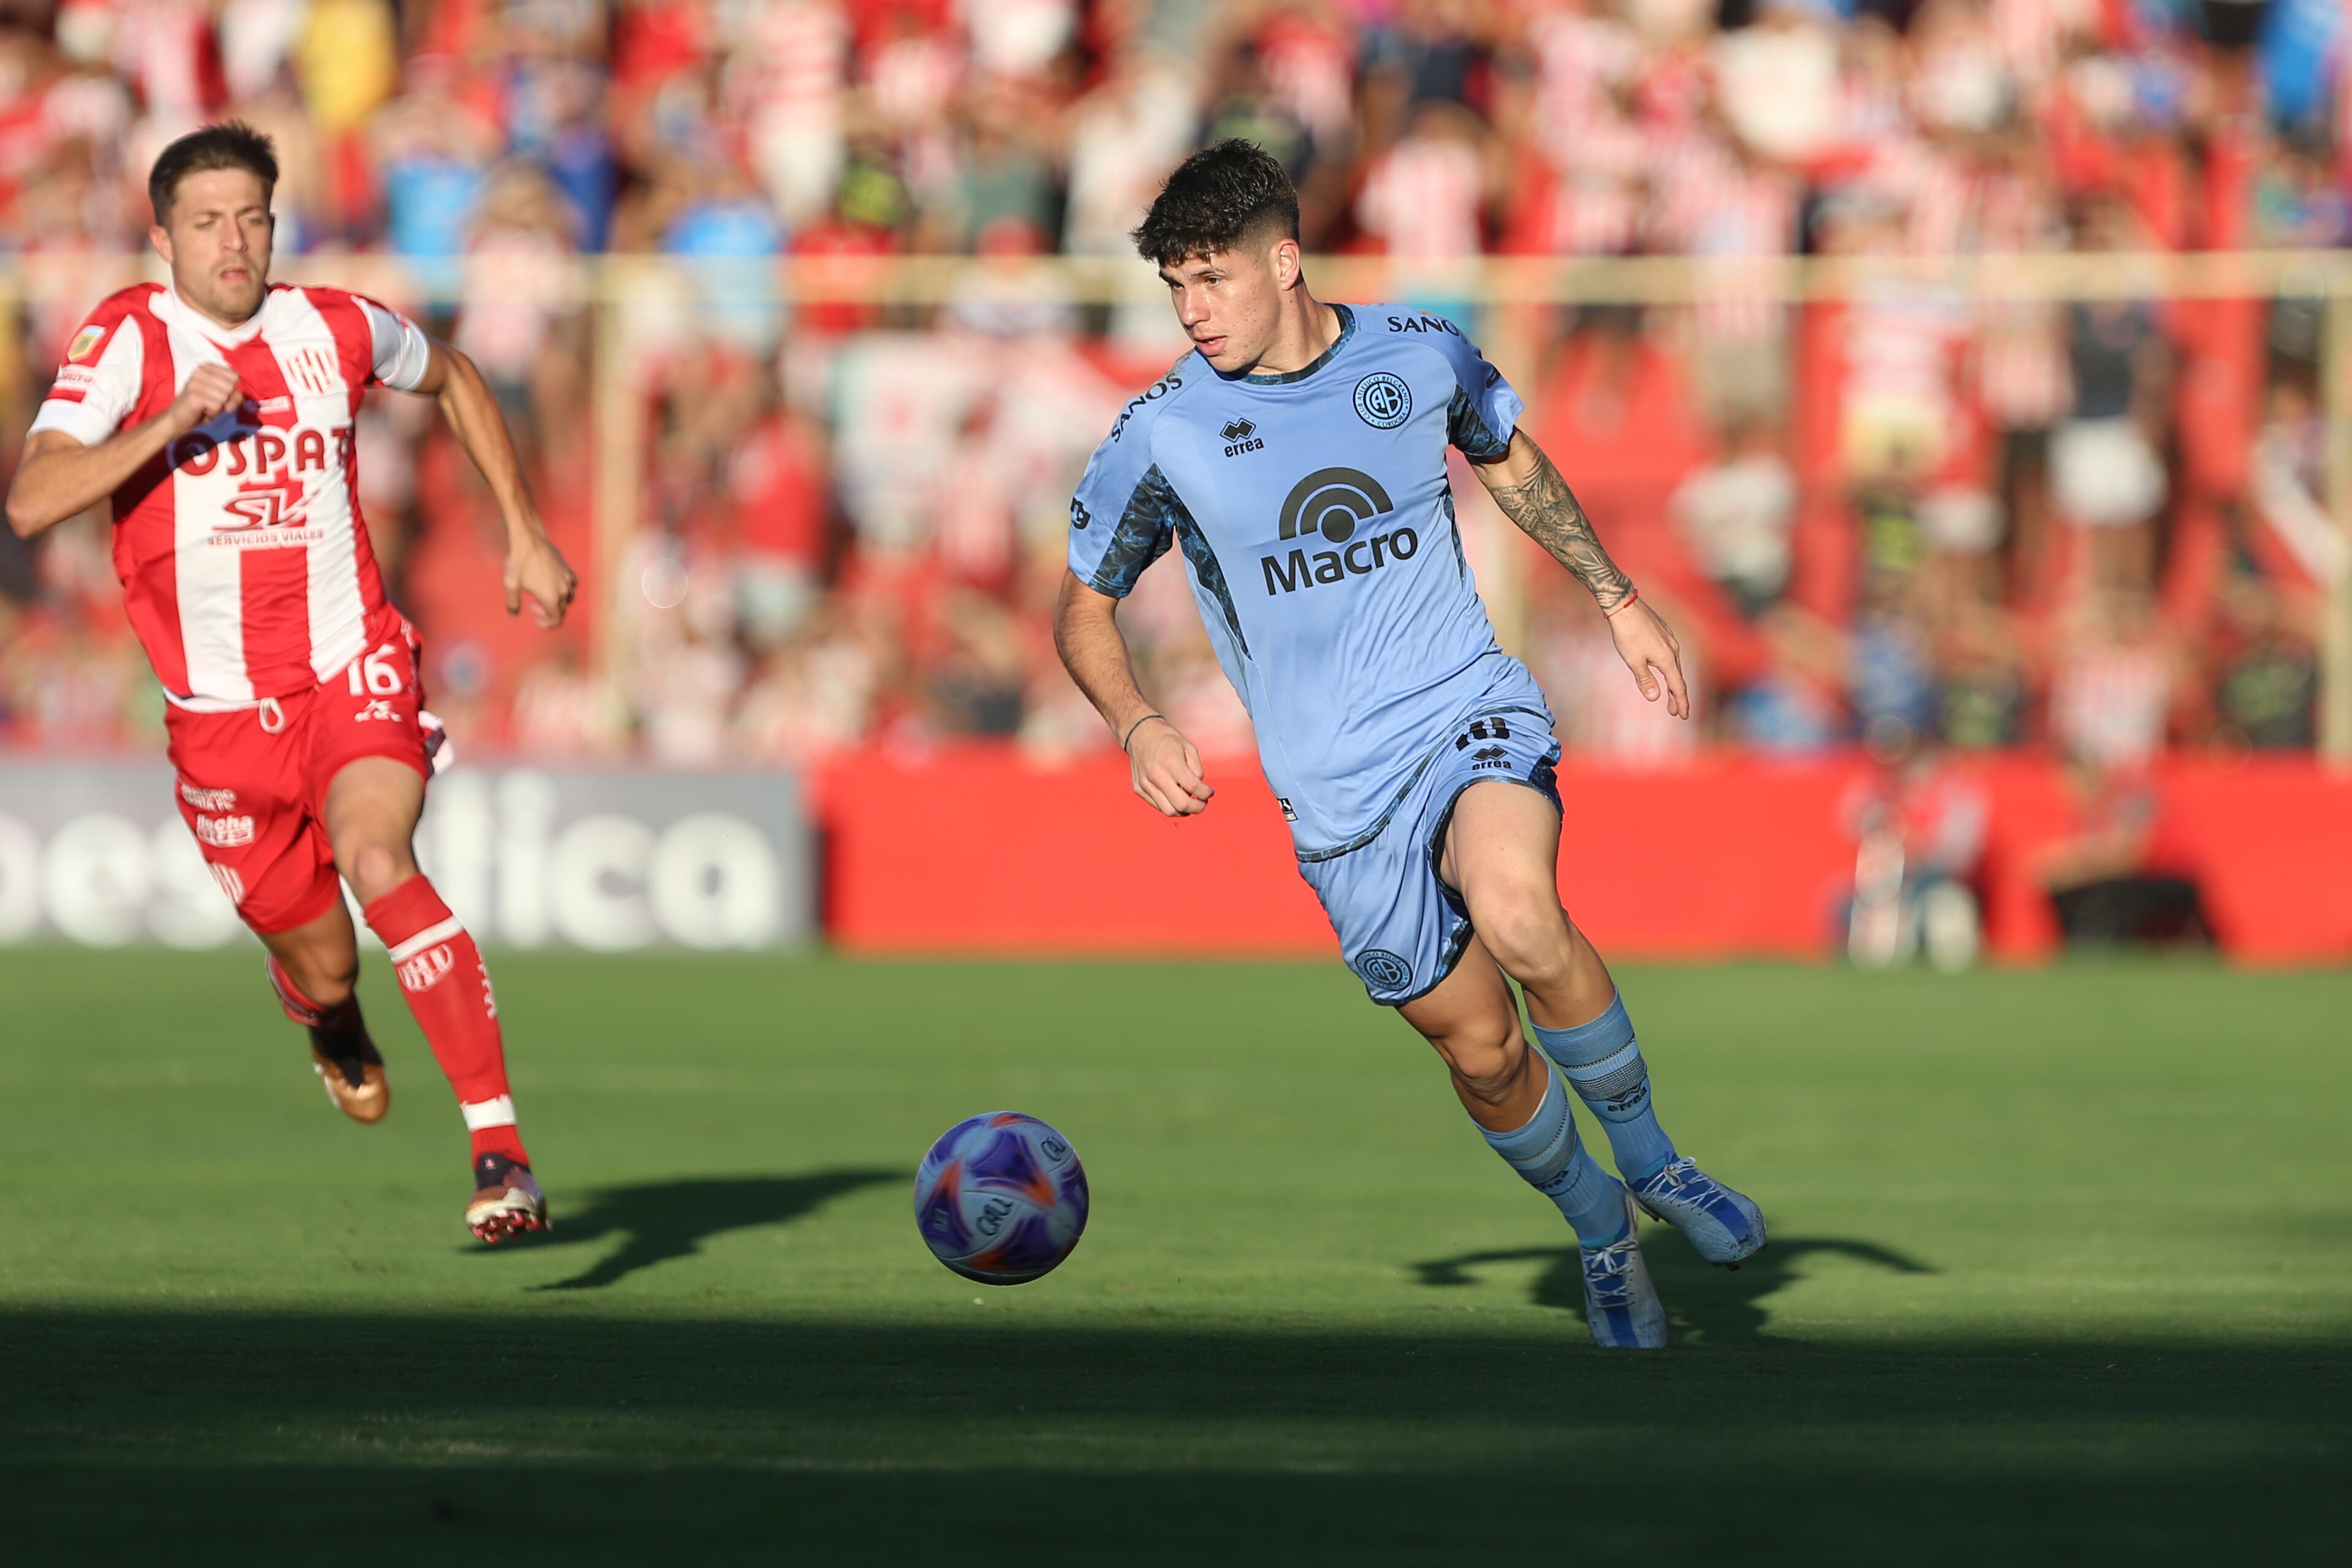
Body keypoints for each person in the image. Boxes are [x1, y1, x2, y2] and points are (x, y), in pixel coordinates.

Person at [1054, 142, 1763, 1350]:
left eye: (1211, 280)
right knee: (1483, 1053)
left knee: (1520, 910)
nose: (1191, 311)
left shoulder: (1417, 350)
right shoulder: (1160, 433)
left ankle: (1653, 1164)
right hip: (1335, 800)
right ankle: (1599, 1231)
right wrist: (1136, 718)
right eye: (1175, 288)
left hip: (1459, 710)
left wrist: (1616, 594)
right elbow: (1082, 605)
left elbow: (1509, 459)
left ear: (1286, 260)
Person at [4, 123, 578, 1244]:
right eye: (208, 221)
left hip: (346, 666)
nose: (235, 240)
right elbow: (32, 500)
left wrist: (522, 529)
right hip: (220, 725)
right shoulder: (125, 339)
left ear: (278, 223)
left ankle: (501, 1153)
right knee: (321, 958)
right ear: (162, 235)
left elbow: (452, 373)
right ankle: (327, 1012)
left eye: (253, 217)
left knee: (379, 856)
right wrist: (171, 421)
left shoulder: (336, 324)